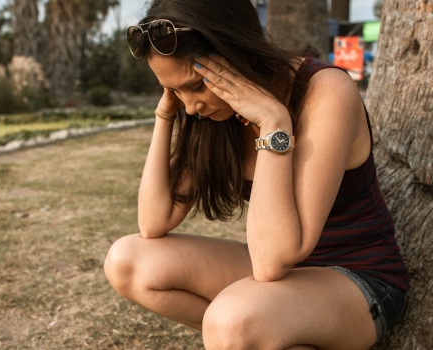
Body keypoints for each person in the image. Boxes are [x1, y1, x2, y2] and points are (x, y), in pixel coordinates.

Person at [103, 0, 409, 348]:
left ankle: (258, 331)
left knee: (231, 321)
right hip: (279, 275)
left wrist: (274, 122)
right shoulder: (212, 113)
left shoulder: (325, 91)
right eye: (174, 89)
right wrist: (165, 116)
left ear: (237, 54)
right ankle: (270, 333)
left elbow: (271, 262)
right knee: (127, 261)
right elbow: (153, 221)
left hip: (357, 279)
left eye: (195, 86)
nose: (190, 106)